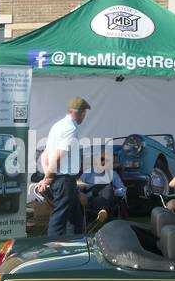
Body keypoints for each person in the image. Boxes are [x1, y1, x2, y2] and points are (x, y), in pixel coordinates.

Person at [35, 97, 90, 237]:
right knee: (59, 217)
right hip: (64, 180)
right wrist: (48, 176)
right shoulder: (70, 129)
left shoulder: (57, 126)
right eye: (84, 113)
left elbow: (45, 153)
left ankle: (76, 243)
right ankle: (52, 248)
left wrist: (47, 172)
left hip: (62, 179)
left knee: (74, 216)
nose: (84, 116)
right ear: (81, 112)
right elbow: (59, 154)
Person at [78, 148, 126, 224]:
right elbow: (77, 189)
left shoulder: (113, 174)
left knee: (107, 188)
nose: (103, 162)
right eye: (101, 159)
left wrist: (115, 191)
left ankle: (102, 215)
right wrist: (81, 194)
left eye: (106, 160)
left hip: (108, 199)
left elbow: (122, 190)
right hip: (91, 199)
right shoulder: (87, 174)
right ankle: (102, 216)